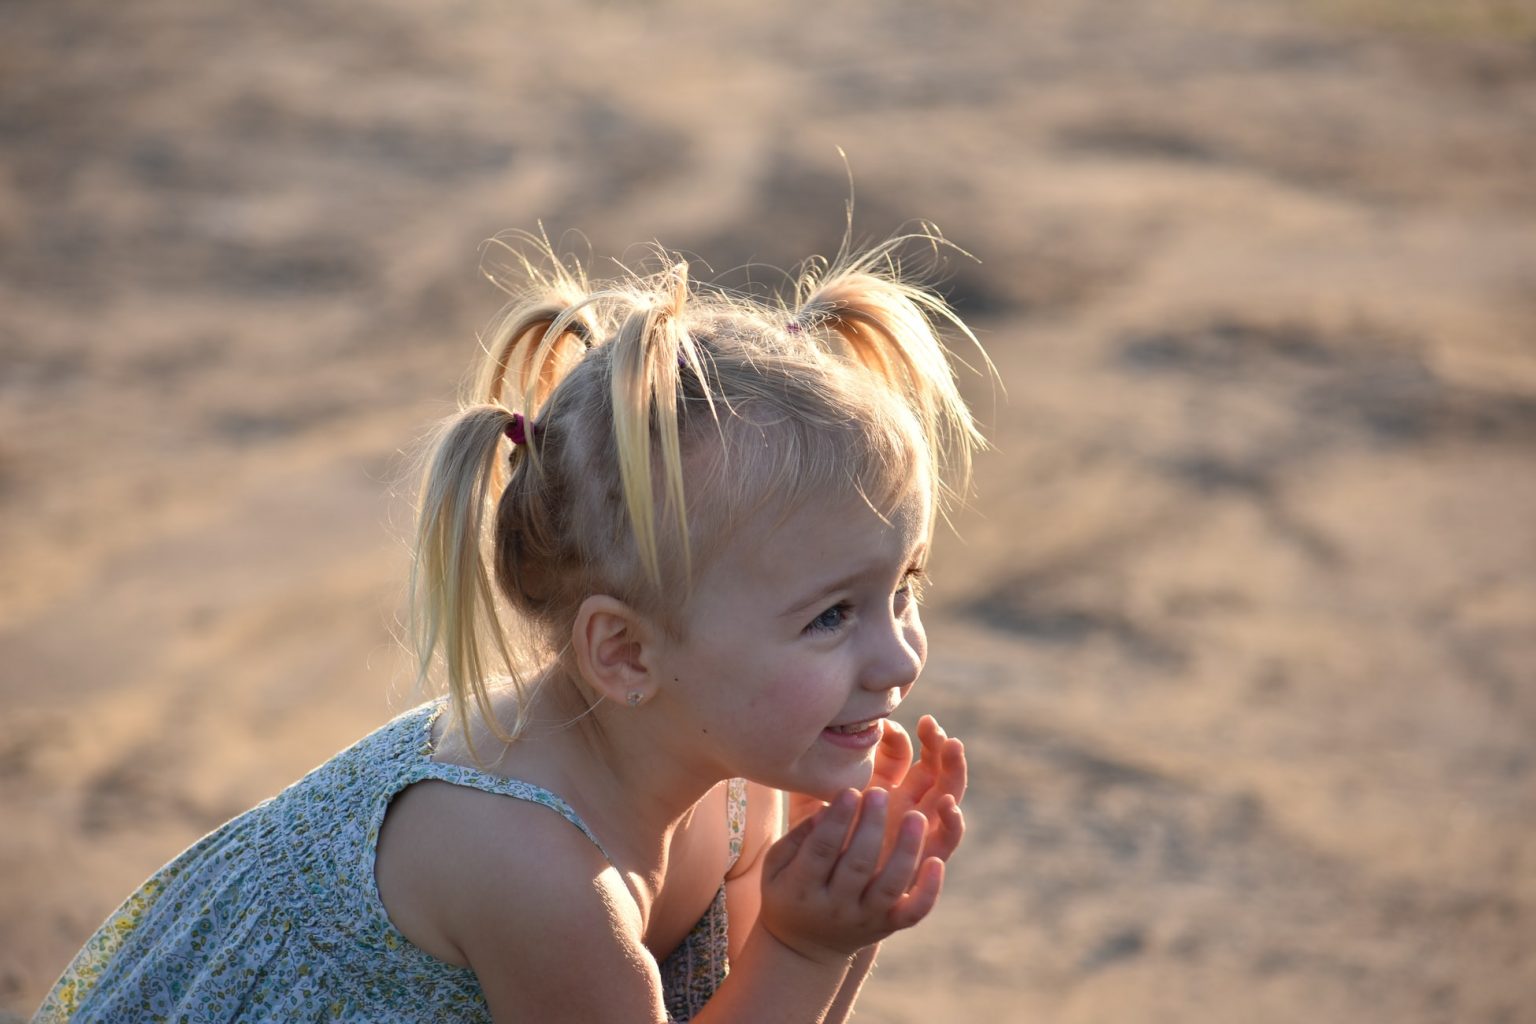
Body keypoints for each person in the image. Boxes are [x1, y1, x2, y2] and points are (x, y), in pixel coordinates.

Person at [36, 230, 988, 1023]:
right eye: (831, 616)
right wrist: (805, 944)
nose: (901, 654)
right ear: (625, 653)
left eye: (904, 584)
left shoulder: (728, 771)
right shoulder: (537, 870)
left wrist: (836, 914)